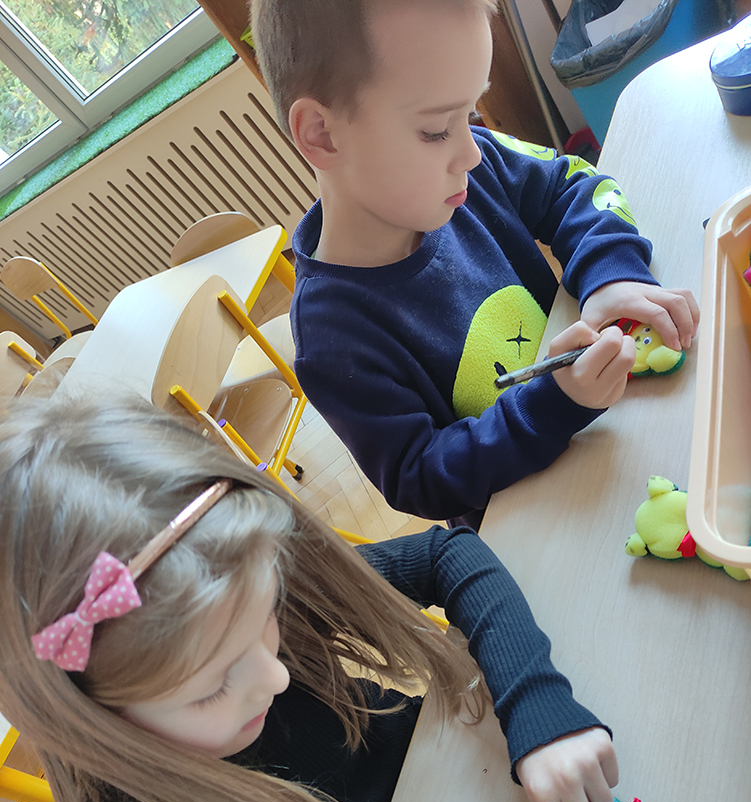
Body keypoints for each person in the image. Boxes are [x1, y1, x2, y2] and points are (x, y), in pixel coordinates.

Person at [0, 395, 617, 802]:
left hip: (475, 782)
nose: (275, 678)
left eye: (267, 613)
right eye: (214, 686)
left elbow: (446, 556)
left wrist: (539, 710)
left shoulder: (227, 582)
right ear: (96, 720)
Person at [250, 0, 700, 529]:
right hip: (533, 522)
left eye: (469, 115)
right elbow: (420, 477)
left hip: (616, 439)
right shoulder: (331, 338)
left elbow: (573, 183)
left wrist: (610, 273)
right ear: (322, 135)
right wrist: (552, 405)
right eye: (436, 130)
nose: (471, 153)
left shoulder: (469, 166)